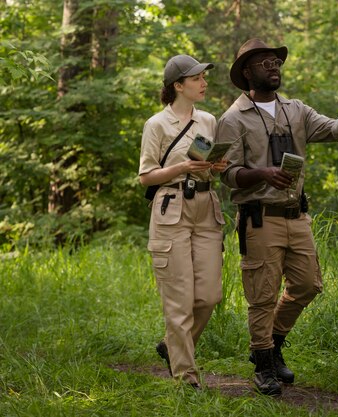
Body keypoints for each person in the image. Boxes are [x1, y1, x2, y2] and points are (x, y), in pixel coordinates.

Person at [215, 39, 338, 396]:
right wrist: (262, 173)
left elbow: (337, 130)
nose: (274, 67)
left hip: (297, 215)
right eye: (264, 63)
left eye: (276, 61)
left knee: (308, 285)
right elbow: (226, 172)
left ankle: (273, 344)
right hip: (259, 218)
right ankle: (262, 365)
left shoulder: (297, 110)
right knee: (262, 294)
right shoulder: (233, 119)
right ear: (247, 72)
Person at [138, 54, 227, 389]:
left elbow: (205, 158)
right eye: (197, 79)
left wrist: (215, 166)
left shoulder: (208, 120)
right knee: (179, 301)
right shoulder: (156, 125)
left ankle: (172, 345)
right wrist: (181, 169)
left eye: (204, 77)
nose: (204, 83)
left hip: (206, 207)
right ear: (178, 85)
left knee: (208, 297)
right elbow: (146, 176)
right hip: (171, 207)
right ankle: (186, 379)